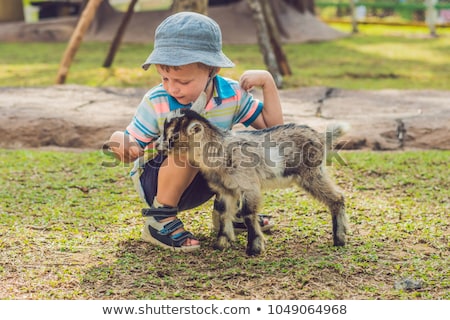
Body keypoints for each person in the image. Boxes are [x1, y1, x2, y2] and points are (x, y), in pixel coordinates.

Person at [106, 11, 283, 252]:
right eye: (164, 78)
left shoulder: (231, 93)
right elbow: (132, 144)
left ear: (212, 70)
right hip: (159, 183)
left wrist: (267, 82)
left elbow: (273, 131)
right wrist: (120, 142)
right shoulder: (157, 100)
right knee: (189, 144)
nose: (172, 88)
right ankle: (160, 220)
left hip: (207, 180)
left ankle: (229, 213)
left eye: (183, 81)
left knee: (240, 148)